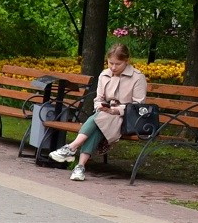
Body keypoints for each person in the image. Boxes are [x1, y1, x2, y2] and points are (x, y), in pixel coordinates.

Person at [50, 44, 148, 182]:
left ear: (127, 61)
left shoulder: (137, 77)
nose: (113, 67)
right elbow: (98, 99)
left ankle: (72, 148)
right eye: (110, 63)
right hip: (104, 115)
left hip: (125, 118)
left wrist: (115, 110)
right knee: (99, 121)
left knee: (98, 119)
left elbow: (138, 106)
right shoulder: (104, 74)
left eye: (118, 64)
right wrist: (101, 107)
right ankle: (79, 166)